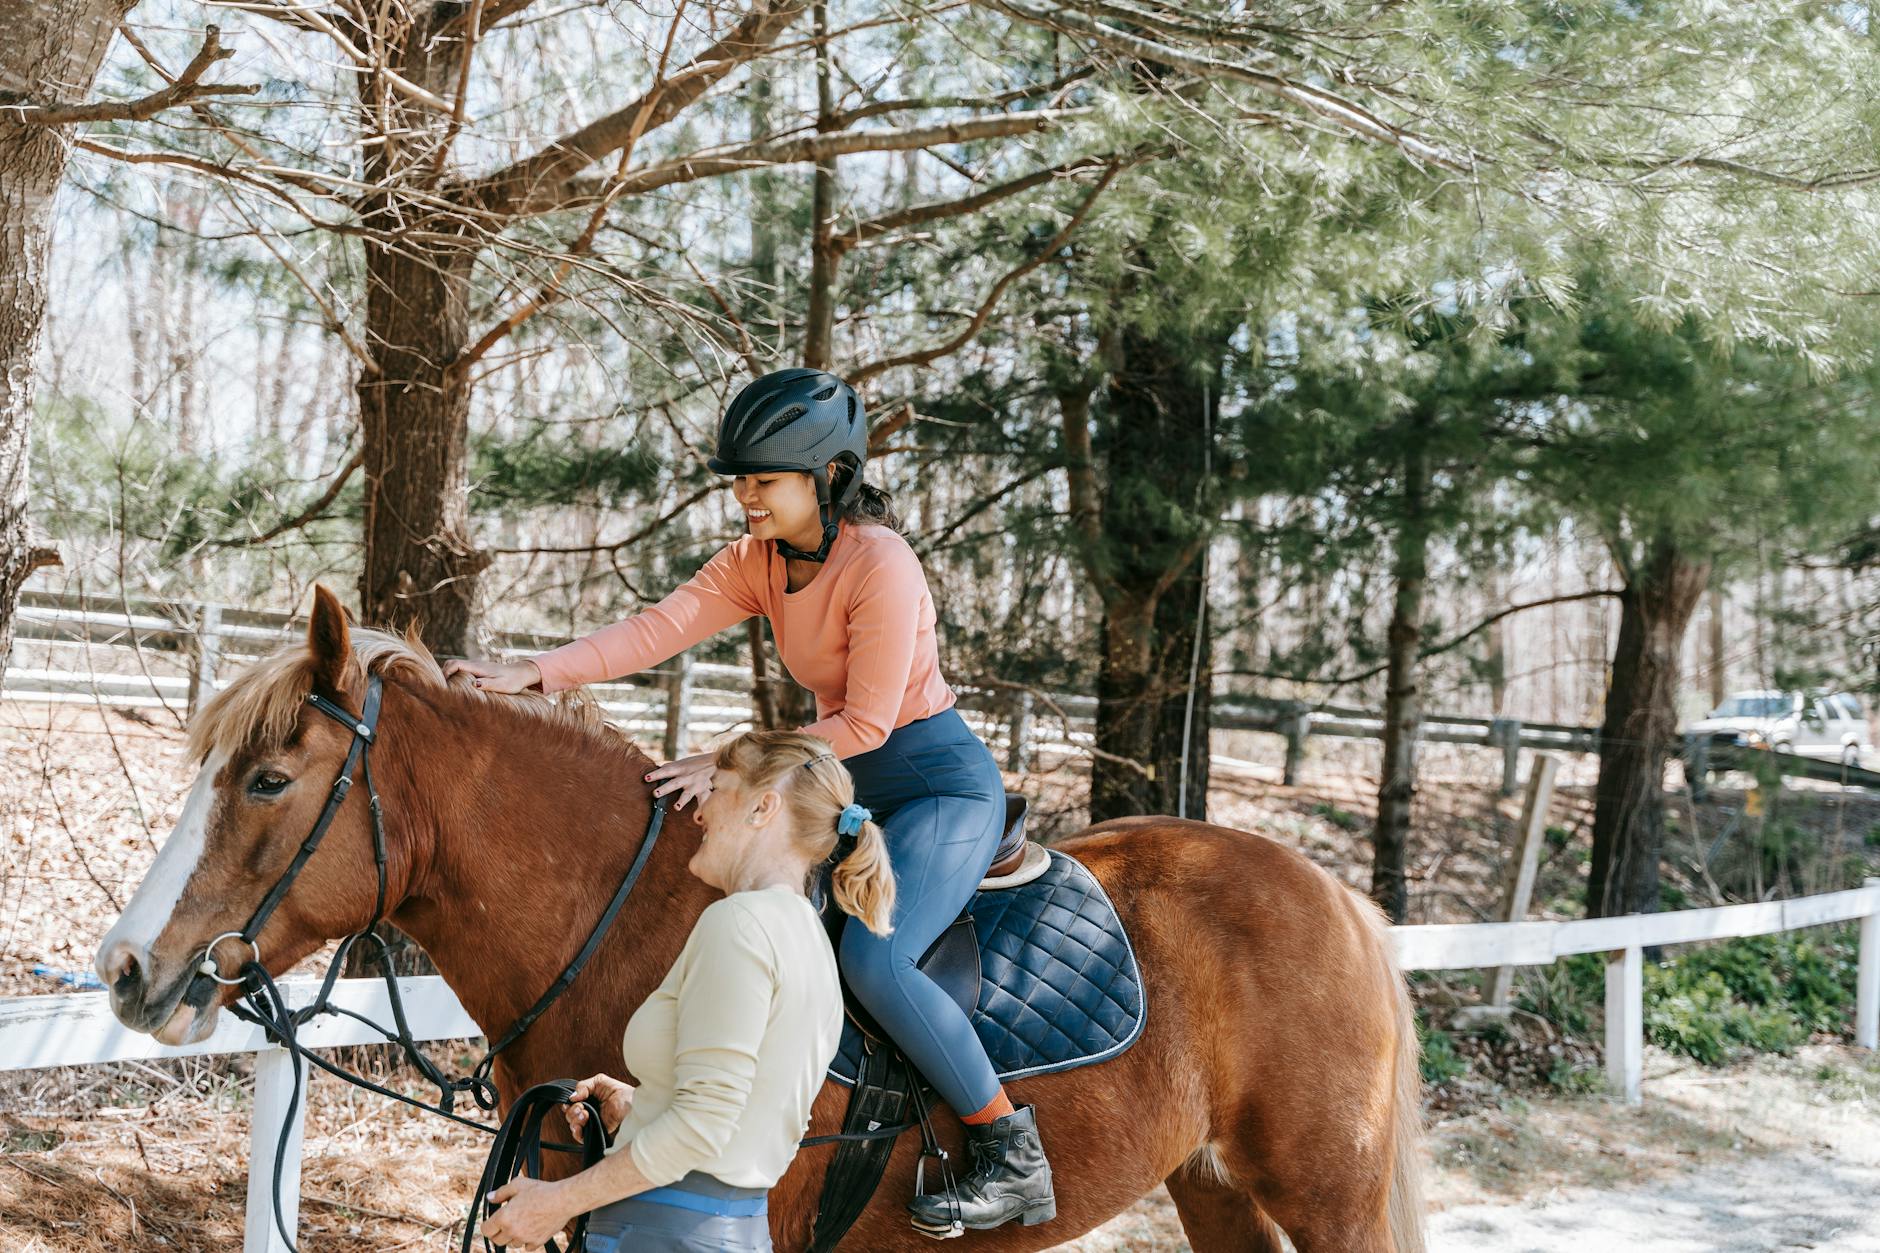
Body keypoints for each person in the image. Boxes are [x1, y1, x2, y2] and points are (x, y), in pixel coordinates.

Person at [445, 367, 1055, 1234]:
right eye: (741, 479)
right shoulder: (758, 562)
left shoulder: (880, 562)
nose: (745, 496)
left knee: (876, 964)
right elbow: (657, 628)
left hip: (935, 789)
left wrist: (732, 760)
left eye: (764, 480)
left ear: (828, 478)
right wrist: (536, 671)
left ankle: (1007, 1147)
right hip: (835, 785)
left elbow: (872, 720)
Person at [477, 730, 893, 1252]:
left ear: (763, 808)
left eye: (717, 789)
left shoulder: (738, 923)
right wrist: (645, 1107)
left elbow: (702, 1126)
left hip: (659, 1234)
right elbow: (767, 1110)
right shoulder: (807, 932)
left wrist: (556, 1203)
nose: (698, 813)